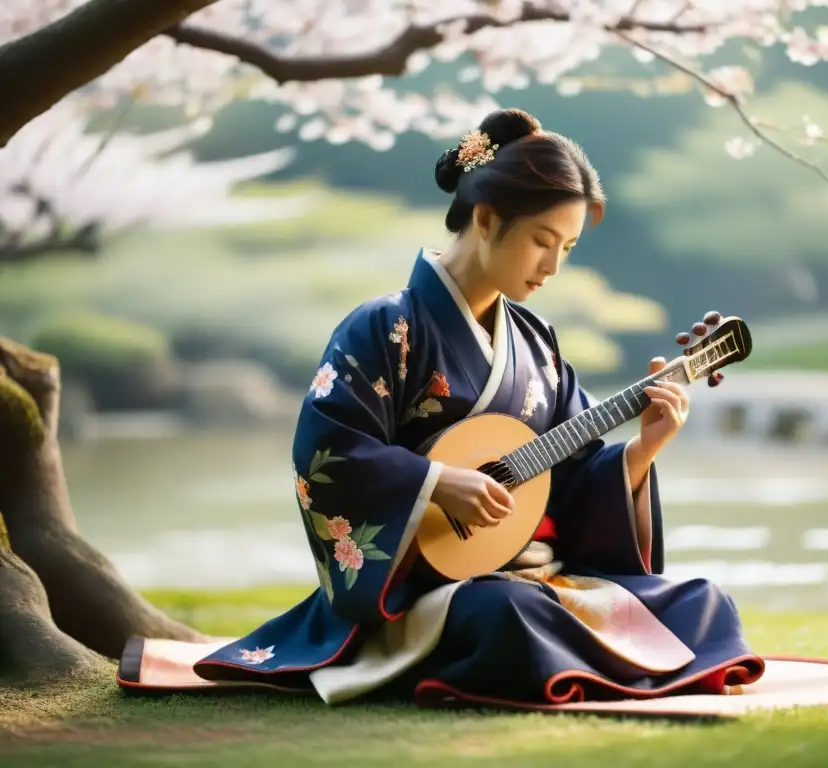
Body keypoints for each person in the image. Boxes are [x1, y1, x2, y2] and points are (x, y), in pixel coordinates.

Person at [187, 108, 758, 704]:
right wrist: (434, 483)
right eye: (542, 241)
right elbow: (328, 450)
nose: (553, 266)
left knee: (703, 600)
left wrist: (642, 450)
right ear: (486, 219)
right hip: (433, 591)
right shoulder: (385, 328)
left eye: (566, 248)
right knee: (505, 614)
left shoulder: (537, 343)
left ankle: (567, 654)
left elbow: (572, 478)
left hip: (539, 580)